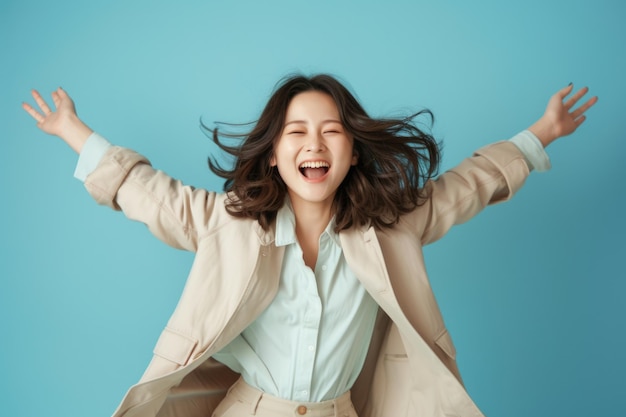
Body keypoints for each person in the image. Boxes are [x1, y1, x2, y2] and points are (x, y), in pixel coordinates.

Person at [22, 75, 597, 417]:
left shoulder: (392, 225)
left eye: (331, 130)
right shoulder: (226, 222)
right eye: (297, 131)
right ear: (274, 153)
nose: (314, 144)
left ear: (352, 150)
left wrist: (541, 132)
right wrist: (73, 130)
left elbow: (465, 187)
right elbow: (146, 192)